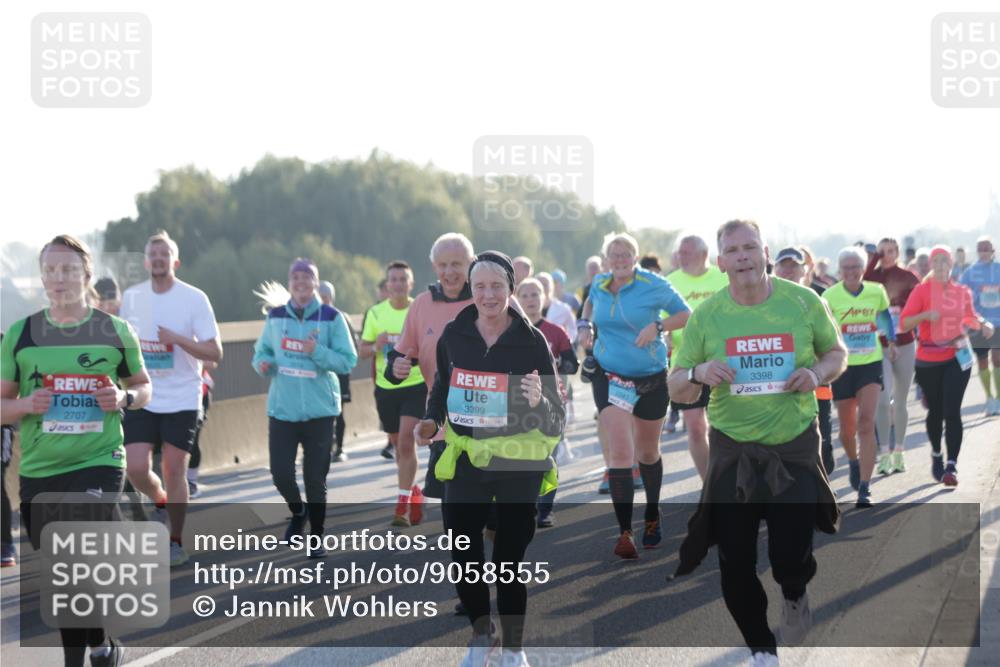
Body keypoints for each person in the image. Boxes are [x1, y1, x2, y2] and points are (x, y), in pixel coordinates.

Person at [669, 220, 846, 665]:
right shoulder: (707, 315)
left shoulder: (803, 301)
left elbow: (836, 353)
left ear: (765, 253)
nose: (743, 256)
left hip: (793, 445)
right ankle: (762, 650)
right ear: (721, 261)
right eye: (733, 250)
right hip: (734, 451)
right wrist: (698, 373)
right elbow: (676, 385)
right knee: (734, 561)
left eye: (750, 247)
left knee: (790, 555)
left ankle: (794, 591)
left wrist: (816, 374)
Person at [1, 235, 152, 667]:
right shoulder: (21, 334)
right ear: (42, 278)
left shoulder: (115, 331)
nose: (58, 278)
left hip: (98, 461)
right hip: (40, 469)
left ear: (86, 276)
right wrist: (26, 406)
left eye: (68, 269)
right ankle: (102, 644)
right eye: (50, 270)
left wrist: (123, 398)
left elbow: (143, 387)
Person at [414, 251, 565, 667]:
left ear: (511, 289)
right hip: (467, 458)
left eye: (497, 286)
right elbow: (441, 389)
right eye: (479, 286)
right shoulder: (454, 335)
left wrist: (539, 400)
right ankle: (482, 635)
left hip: (517, 462)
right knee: (464, 555)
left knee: (507, 562)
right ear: (471, 289)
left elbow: (556, 414)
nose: (488, 295)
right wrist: (430, 421)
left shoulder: (532, 341)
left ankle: (514, 648)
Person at [578, 232, 690, 559]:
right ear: (606, 259)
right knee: (620, 453)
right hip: (609, 376)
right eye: (614, 254)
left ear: (635, 257)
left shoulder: (652, 284)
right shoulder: (599, 283)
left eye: (626, 253)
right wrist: (584, 324)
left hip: (650, 378)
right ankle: (625, 531)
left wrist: (658, 327)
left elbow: (685, 314)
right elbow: (589, 303)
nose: (620, 259)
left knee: (647, 452)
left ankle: (652, 514)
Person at [120, 231, 222, 567]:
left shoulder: (194, 299)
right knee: (135, 467)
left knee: (174, 469)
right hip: (144, 393)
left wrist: (178, 339)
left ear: (175, 262)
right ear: (146, 261)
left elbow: (215, 352)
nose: (159, 259)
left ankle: (175, 539)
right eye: (154, 254)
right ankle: (159, 498)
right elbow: (122, 346)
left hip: (182, 397)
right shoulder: (132, 298)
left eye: (165, 254)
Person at [252, 259, 358, 558]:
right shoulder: (275, 317)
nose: (300, 281)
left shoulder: (331, 317)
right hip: (282, 410)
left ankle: (317, 536)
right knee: (281, 475)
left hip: (321, 411)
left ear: (315, 282)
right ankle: (299, 513)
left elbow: (347, 360)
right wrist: (263, 364)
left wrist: (318, 352)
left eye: (306, 276)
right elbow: (261, 352)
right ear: (289, 283)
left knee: (315, 479)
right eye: (295, 277)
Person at [385, 233, 477, 507]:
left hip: (490, 421)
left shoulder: (489, 296)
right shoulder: (422, 304)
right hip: (442, 421)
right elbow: (400, 354)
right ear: (434, 267)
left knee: (489, 507)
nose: (449, 272)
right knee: (452, 504)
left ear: (471, 263)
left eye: (457, 264)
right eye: (443, 265)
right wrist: (396, 367)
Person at [900, 245, 995, 486]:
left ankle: (951, 465)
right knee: (936, 412)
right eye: (937, 261)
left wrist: (982, 323)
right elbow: (904, 323)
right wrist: (924, 316)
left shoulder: (962, 291)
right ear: (931, 265)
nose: (941, 265)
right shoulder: (921, 291)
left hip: (957, 357)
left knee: (952, 411)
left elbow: (969, 316)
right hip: (928, 361)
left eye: (945, 261)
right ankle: (936, 454)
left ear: (951, 264)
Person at [360, 261, 428, 526]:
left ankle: (401, 507)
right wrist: (376, 346)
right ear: (387, 285)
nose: (398, 284)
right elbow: (362, 351)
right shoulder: (376, 313)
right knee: (400, 448)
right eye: (394, 279)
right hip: (386, 388)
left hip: (415, 385)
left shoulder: (418, 309)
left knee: (406, 444)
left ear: (411, 284)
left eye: (403, 279)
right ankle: (413, 492)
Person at [825, 247, 894, 507]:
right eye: (847, 267)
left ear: (863, 269)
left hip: (870, 363)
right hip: (843, 366)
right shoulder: (829, 296)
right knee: (847, 430)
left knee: (866, 423)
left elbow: (885, 317)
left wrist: (891, 342)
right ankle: (853, 461)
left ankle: (865, 487)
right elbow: (824, 330)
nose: (851, 271)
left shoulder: (877, 291)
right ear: (839, 270)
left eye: (856, 267)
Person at [516, 277, 579, 527]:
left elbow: (573, 364)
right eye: (525, 295)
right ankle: (527, 506)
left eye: (535, 294)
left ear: (544, 299)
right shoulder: (510, 331)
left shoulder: (555, 331)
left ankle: (545, 509)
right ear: (517, 300)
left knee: (546, 457)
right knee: (522, 457)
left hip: (552, 400)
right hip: (519, 403)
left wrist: (555, 364)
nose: (530, 300)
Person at [666, 235, 729, 480]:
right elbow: (662, 319)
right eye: (679, 252)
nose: (681, 257)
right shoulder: (670, 282)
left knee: (724, 426)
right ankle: (709, 484)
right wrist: (665, 335)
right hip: (686, 364)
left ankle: (730, 478)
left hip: (724, 360)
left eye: (687, 253)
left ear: (703, 254)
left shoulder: (722, 277)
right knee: (695, 427)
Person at [774, 247, 836, 475]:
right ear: (775, 269)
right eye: (784, 266)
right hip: (779, 388)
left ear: (805, 269)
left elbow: (832, 346)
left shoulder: (818, 299)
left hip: (816, 383)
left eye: (794, 266)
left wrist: (818, 370)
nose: (788, 271)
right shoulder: (764, 303)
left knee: (823, 445)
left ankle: (821, 483)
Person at [864, 237, 920, 473]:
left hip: (905, 343)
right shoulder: (873, 277)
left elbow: (919, 303)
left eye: (889, 251)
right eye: (881, 252)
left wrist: (903, 310)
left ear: (897, 252)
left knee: (901, 401)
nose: (885, 255)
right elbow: (863, 281)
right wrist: (874, 259)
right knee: (883, 400)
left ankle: (899, 451)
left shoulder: (908, 276)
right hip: (880, 345)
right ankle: (884, 453)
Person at [960, 236, 1000, 416]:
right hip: (977, 323)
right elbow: (961, 295)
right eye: (980, 248)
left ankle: (999, 398)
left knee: (998, 358)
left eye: (987, 248)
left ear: (993, 250)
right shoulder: (970, 272)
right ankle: (989, 398)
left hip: (997, 321)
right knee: (982, 361)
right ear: (977, 251)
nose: (984, 251)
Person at [318, 280, 352, 462]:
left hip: (339, 373)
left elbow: (351, 348)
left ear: (331, 297)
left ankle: (339, 447)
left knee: (339, 411)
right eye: (318, 296)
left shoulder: (340, 317)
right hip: (320, 373)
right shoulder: (311, 319)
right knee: (322, 413)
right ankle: (322, 447)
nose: (321, 300)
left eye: (324, 296)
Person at [575, 255, 603, 319]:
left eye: (595, 267)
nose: (593, 271)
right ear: (586, 270)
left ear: (601, 269)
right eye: (590, 268)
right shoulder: (582, 290)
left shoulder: (606, 288)